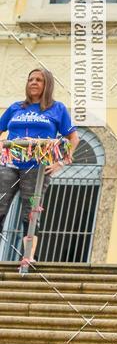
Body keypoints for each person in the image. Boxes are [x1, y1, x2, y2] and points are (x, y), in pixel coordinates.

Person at [0, 68, 79, 264]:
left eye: (39, 80)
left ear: (47, 85)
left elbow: (73, 138)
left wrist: (60, 161)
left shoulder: (56, 109)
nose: (33, 82)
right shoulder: (15, 108)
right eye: (30, 79)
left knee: (31, 211)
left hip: (37, 166)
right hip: (9, 164)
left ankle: (27, 256)